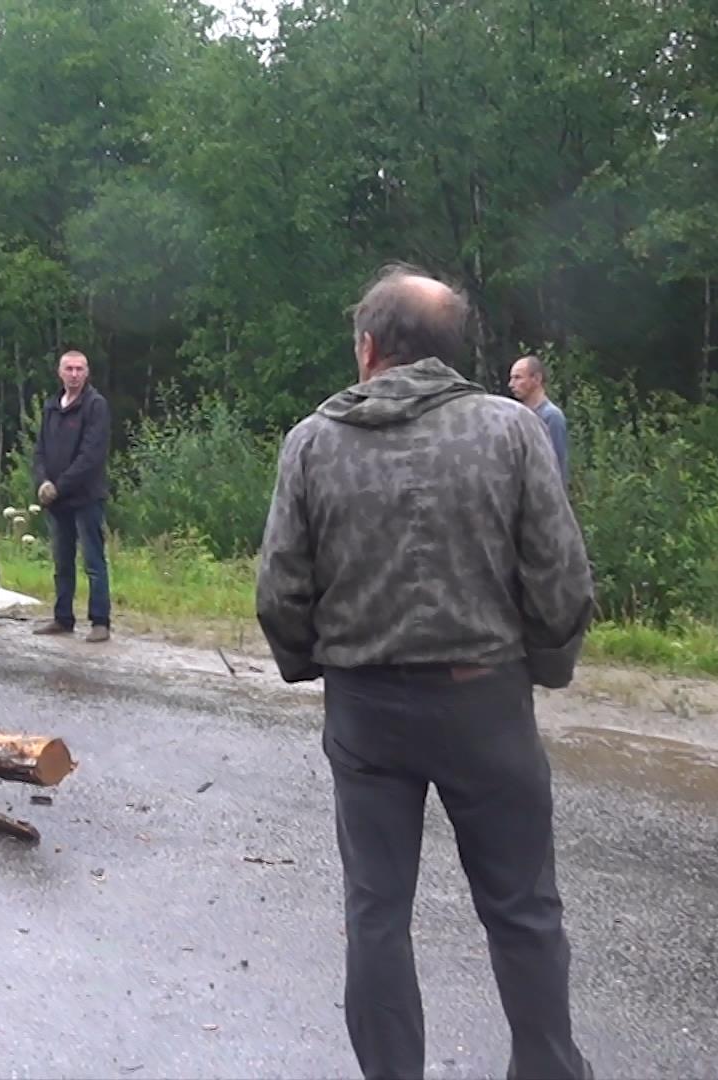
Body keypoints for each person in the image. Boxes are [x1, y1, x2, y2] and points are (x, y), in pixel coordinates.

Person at [255, 264, 595, 1080]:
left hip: (367, 709)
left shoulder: (312, 442)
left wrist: (313, 665)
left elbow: (280, 593)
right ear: (449, 350)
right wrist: (540, 668)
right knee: (523, 910)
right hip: (487, 702)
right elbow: (562, 583)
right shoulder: (513, 431)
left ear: (368, 348)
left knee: (376, 915)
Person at [31, 350, 112, 642]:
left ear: (87, 373)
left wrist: (59, 485)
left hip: (86, 497)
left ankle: (100, 621)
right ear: (60, 372)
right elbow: (40, 450)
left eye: (79, 369)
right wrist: (42, 482)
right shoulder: (52, 406)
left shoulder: (95, 406)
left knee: (93, 561)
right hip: (56, 500)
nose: (74, 374)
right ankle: (62, 618)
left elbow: (91, 456)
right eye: (69, 368)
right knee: (62, 561)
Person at [508, 354, 569, 481]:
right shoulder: (518, 416)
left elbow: (557, 466)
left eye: (517, 378)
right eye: (511, 378)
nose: (511, 384)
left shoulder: (551, 416)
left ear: (536, 379)